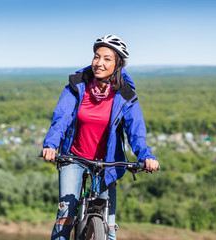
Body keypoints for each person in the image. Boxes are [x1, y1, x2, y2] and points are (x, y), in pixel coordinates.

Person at [42, 34, 159, 240]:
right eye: (97, 57)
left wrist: (145, 156)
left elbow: (136, 132)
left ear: (118, 64)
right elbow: (61, 119)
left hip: (108, 163)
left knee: (109, 227)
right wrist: (51, 145)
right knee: (66, 214)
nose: (99, 63)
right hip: (74, 158)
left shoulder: (125, 95)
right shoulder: (76, 86)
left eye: (107, 58)